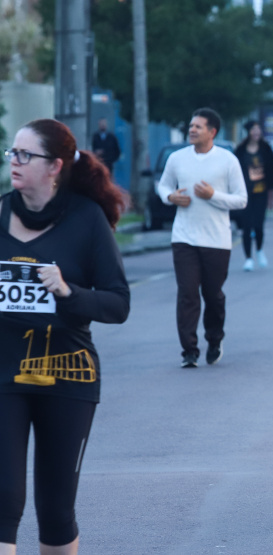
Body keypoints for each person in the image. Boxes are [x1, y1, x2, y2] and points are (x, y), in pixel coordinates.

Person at [0, 119, 130, 554]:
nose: (13, 162)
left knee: (56, 513)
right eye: (11, 153)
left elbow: (117, 304)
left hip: (66, 378)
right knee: (3, 502)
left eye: (24, 154)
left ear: (55, 166)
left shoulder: (86, 221)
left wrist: (68, 292)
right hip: (3, 375)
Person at [158, 108, 247, 368]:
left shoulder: (228, 160)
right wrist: (170, 197)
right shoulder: (176, 158)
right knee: (187, 293)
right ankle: (189, 350)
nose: (192, 130)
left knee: (213, 295)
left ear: (212, 132)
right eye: (191, 125)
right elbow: (163, 185)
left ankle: (215, 339)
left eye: (198, 126)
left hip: (217, 240)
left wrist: (213, 196)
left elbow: (241, 200)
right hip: (184, 237)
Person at [234, 121, 273, 272]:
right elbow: (233, 171)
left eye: (258, 129)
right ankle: (248, 258)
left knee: (259, 225)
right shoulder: (240, 150)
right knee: (246, 226)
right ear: (248, 132)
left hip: (261, 192)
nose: (256, 132)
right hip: (245, 193)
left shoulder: (266, 149)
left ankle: (259, 250)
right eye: (253, 130)